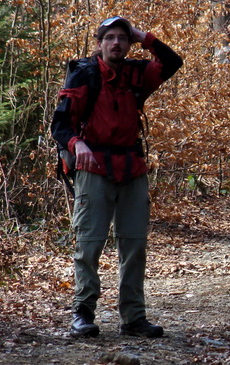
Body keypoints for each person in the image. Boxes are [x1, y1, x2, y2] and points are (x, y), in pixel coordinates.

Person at [51, 16, 182, 338]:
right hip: (93, 167)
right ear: (100, 43)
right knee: (89, 244)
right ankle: (82, 314)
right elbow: (60, 126)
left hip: (132, 167)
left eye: (123, 38)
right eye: (110, 37)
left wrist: (144, 36)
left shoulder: (138, 73)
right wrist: (76, 143)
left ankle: (134, 318)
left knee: (135, 245)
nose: (116, 43)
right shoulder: (84, 73)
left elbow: (172, 61)